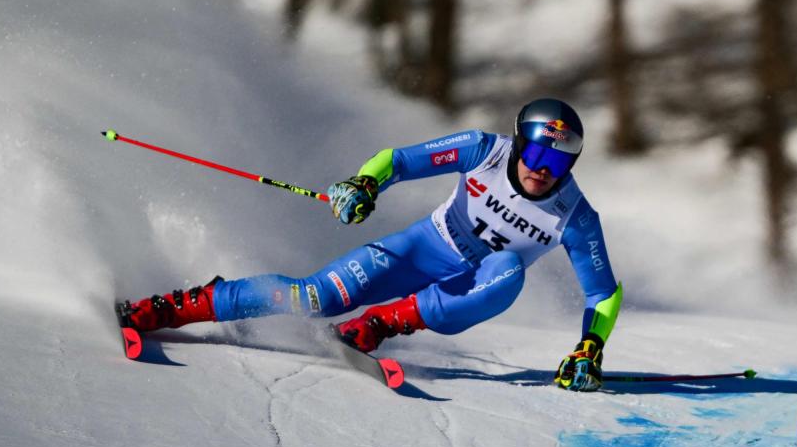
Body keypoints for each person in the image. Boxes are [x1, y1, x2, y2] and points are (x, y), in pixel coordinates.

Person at [117, 98, 622, 392]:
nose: (541, 169)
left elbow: (603, 293)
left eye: (557, 163)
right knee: (313, 298)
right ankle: (167, 309)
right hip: (424, 247)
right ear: (518, 143)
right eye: (536, 153)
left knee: (509, 269)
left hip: (474, 282)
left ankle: (374, 327)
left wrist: (589, 347)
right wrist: (364, 184)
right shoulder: (484, 151)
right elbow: (397, 159)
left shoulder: (575, 215)